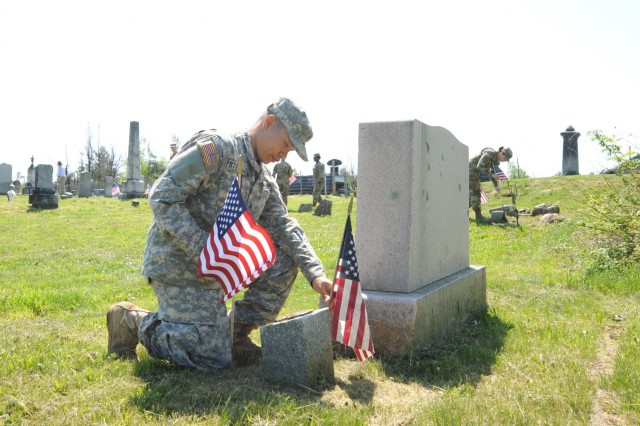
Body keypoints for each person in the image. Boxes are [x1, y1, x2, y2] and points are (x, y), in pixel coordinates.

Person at [107, 97, 334, 371]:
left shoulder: (263, 179)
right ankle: (131, 320)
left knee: (284, 261)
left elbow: (284, 225)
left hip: (220, 269)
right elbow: (163, 197)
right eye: (286, 144)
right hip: (179, 266)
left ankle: (235, 333)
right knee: (210, 357)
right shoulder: (217, 149)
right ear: (269, 123)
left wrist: (316, 273)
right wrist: (205, 250)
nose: (285, 155)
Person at [469, 146, 513, 223]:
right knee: (476, 192)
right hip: (471, 169)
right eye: (505, 158)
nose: (504, 161)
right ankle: (478, 217)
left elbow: (492, 172)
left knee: (473, 193)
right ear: (502, 153)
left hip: (475, 171)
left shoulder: (495, 160)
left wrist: (496, 185)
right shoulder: (490, 154)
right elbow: (480, 166)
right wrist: (491, 175)